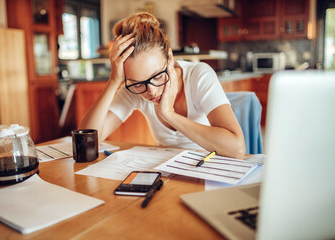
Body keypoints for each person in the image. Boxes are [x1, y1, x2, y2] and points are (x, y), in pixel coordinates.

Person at [79, 12, 246, 159]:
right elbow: (87, 142)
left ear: (169, 57)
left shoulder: (198, 76)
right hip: (166, 172)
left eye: (158, 76)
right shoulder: (134, 90)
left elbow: (237, 149)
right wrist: (114, 81)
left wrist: (169, 114)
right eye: (137, 83)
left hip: (207, 170)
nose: (151, 91)